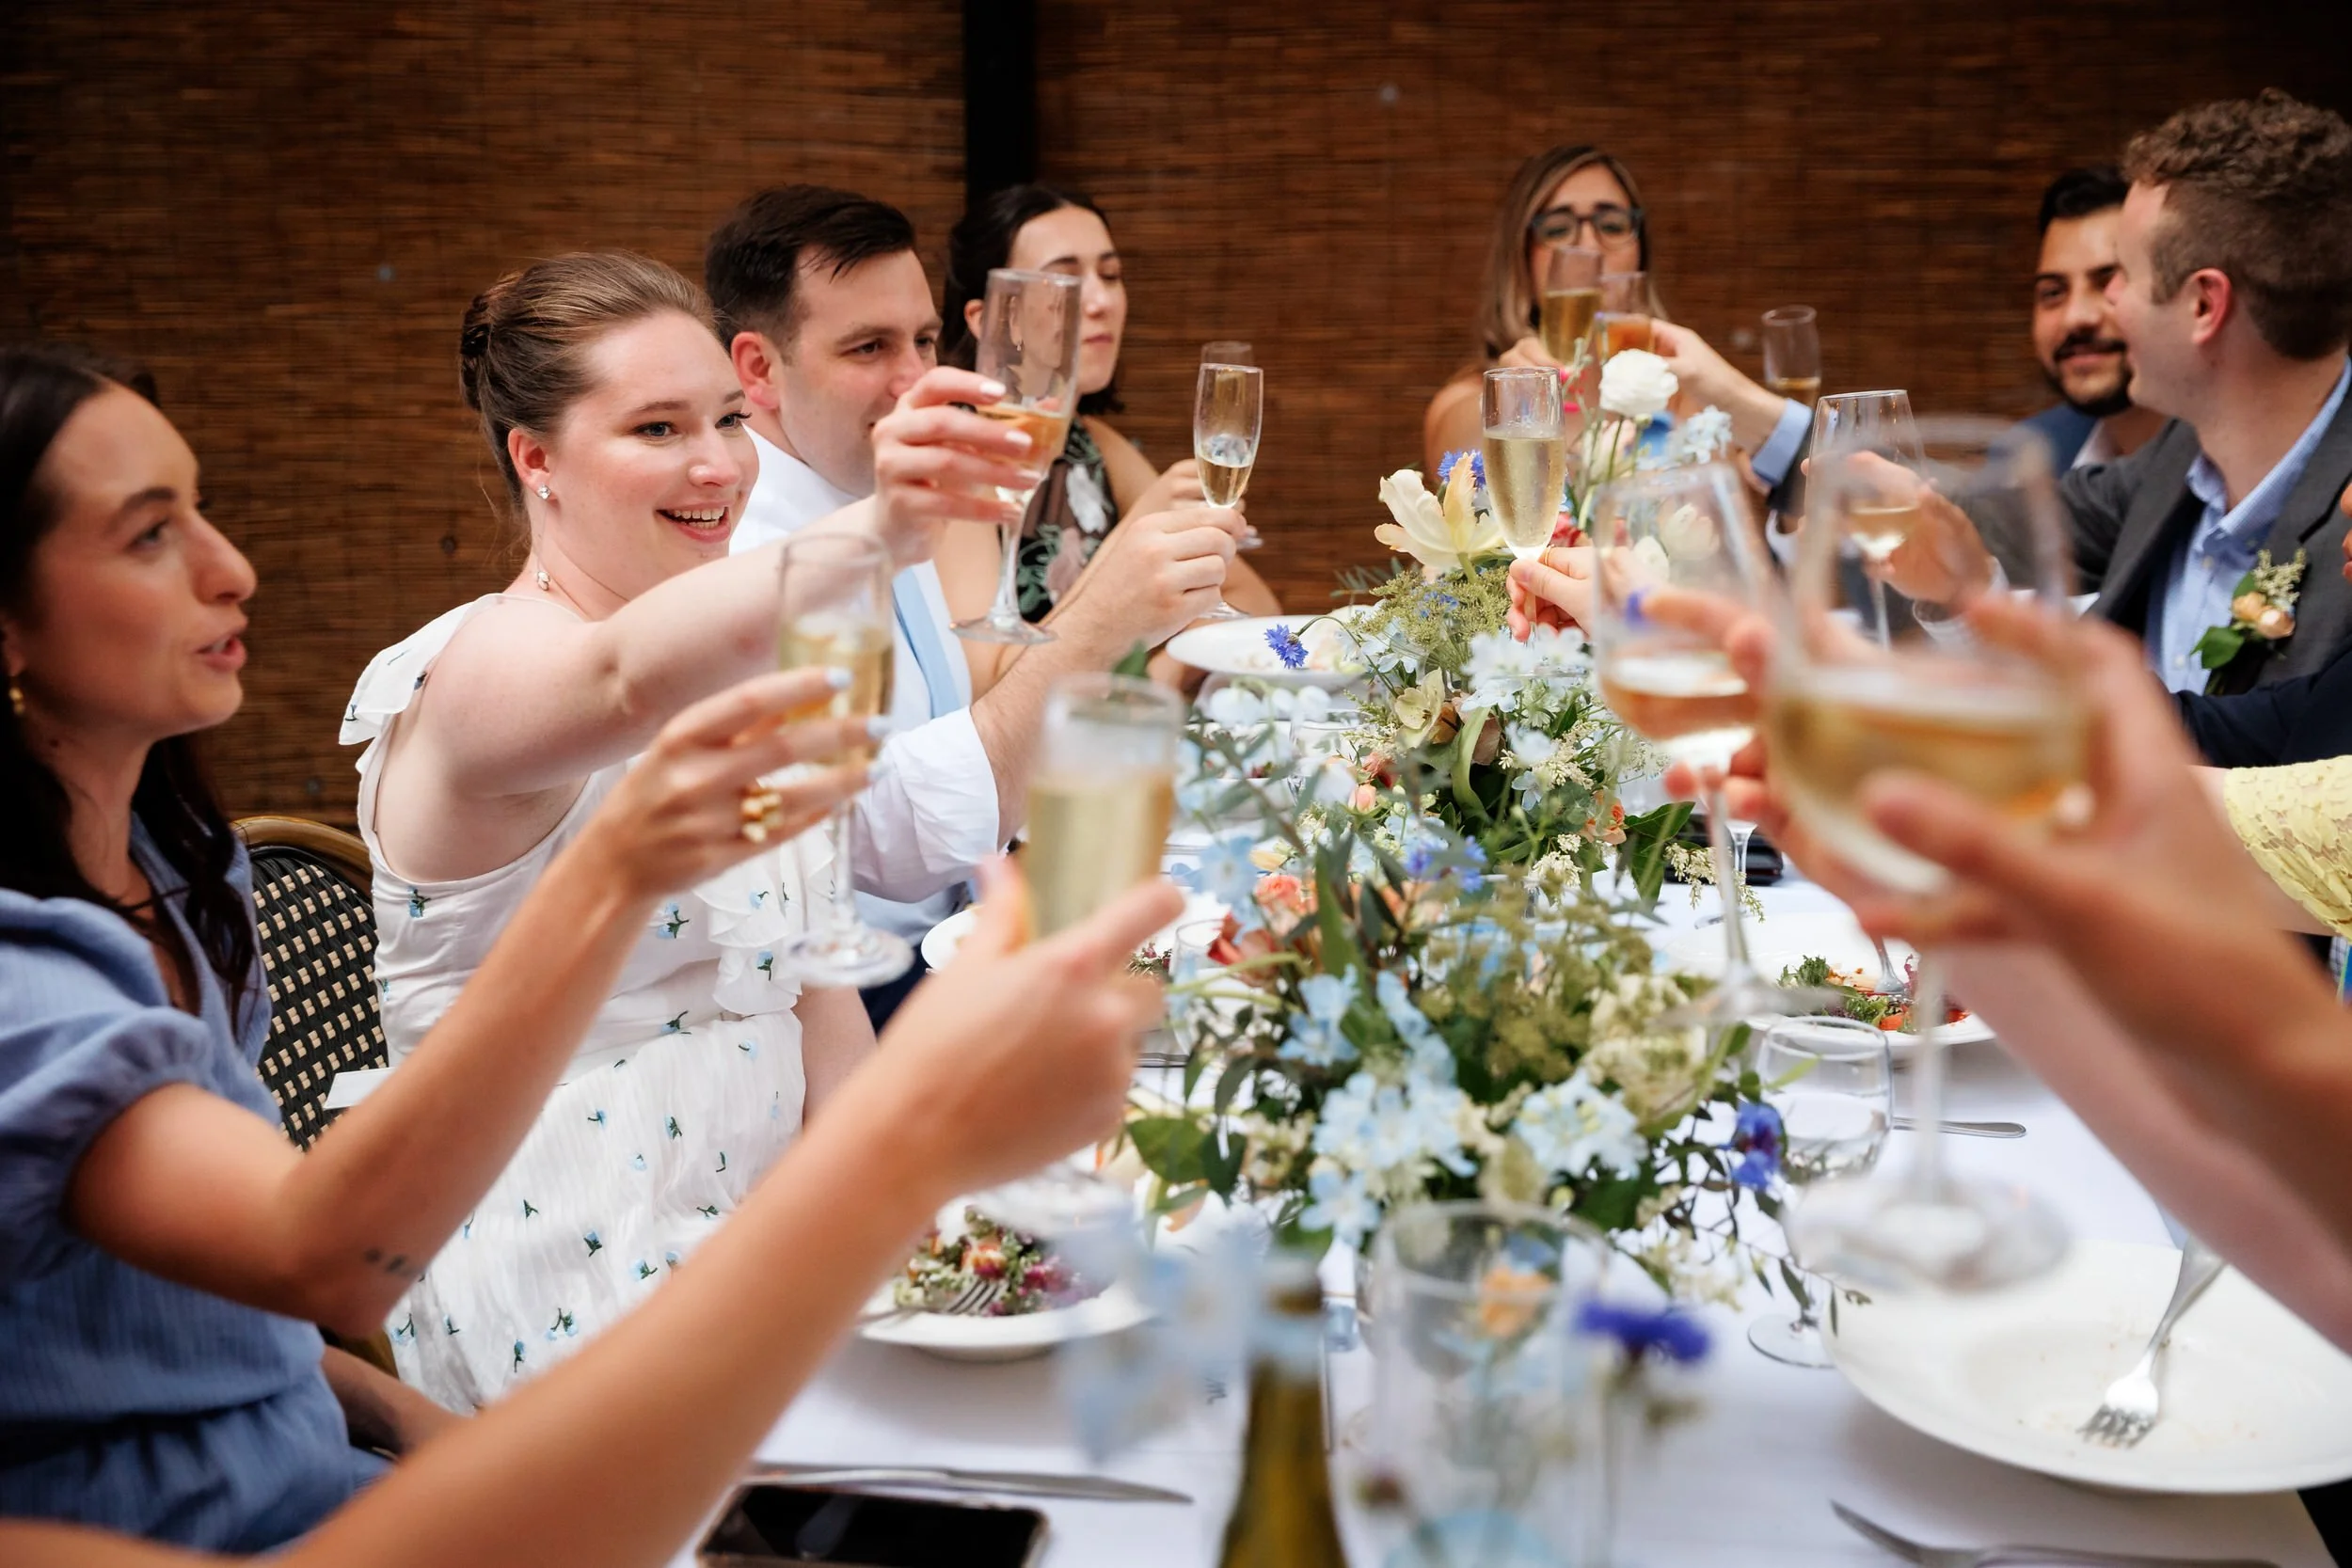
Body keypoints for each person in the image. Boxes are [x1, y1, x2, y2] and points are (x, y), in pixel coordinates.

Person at [0, 340, 870, 1545]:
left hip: (345, 1467)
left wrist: (414, 1427)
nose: (233, 569)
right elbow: (322, 1259)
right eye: (151, 534)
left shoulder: (174, 873)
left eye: (205, 512)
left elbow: (242, 1335)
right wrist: (620, 869)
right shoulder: (23, 984)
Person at [341, 251, 1050, 1411]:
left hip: (768, 1242)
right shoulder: (479, 674)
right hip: (564, 1270)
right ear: (536, 459)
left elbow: (818, 1001)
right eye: (658, 428)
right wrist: (880, 528)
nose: (718, 464)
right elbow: (615, 677)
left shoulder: (740, 675)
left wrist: (929, 1242)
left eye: (727, 416)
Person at [707, 184, 1244, 1022]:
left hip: (969, 928)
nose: (918, 378)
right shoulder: (735, 549)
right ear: (758, 369)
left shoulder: (889, 486)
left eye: (923, 340)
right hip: (849, 996)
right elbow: (874, 843)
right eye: (868, 348)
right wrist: (1102, 623)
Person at [933, 182, 1279, 689]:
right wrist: (1136, 535)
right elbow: (986, 692)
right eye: (1066, 282)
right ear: (992, 319)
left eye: (1111, 275)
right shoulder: (956, 459)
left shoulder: (1093, 446)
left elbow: (1254, 604)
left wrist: (1135, 694)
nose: (1101, 301)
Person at [1427, 144, 1814, 512]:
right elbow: (1466, 483)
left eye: (1612, 224)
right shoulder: (1469, 400)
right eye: (1558, 229)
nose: (1588, 247)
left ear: (1639, 254)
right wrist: (1512, 399)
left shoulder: (1691, 393)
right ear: (1522, 262)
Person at [2022, 166, 2165, 470]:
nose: (2076, 318)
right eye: (2053, 292)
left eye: (2109, 282)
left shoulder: (2232, 477)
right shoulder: (2032, 458)